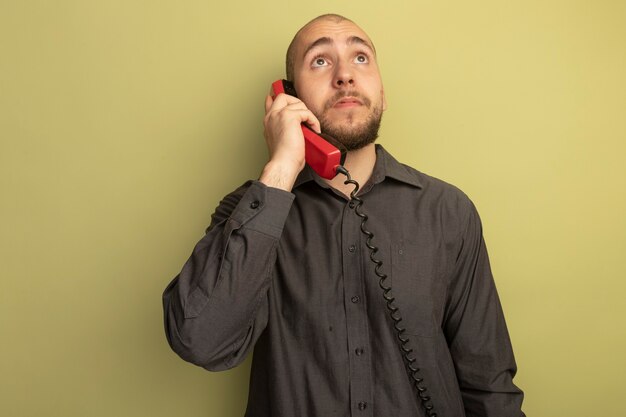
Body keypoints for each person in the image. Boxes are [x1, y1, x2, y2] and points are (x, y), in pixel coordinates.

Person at [163, 14, 525, 417]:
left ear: (382, 93)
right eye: (319, 61)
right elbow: (200, 339)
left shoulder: (448, 211)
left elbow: (489, 385)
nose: (344, 76)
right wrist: (281, 166)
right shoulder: (248, 212)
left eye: (360, 58)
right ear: (289, 97)